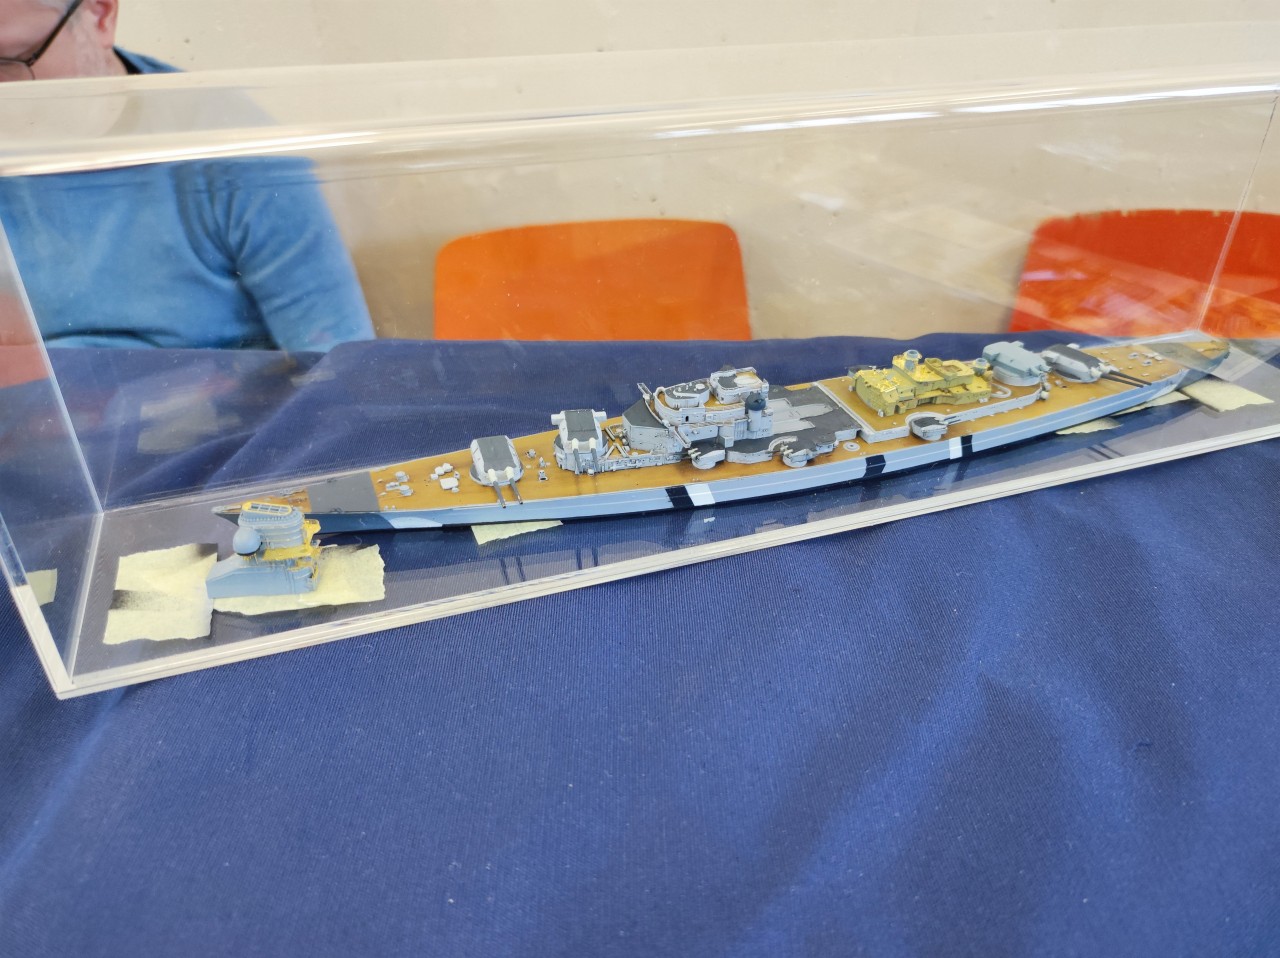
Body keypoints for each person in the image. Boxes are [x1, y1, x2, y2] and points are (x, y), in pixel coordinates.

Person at [0, 0, 375, 351]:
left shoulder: (236, 150)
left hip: (214, 396)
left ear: (101, 15)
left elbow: (339, 362)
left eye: (7, 61)